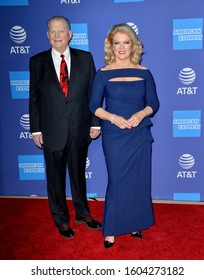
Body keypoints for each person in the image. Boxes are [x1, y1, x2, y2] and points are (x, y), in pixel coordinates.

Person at [29, 15, 102, 239]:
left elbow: (93, 94)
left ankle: (82, 213)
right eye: (53, 31)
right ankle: (61, 219)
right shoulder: (36, 61)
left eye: (62, 31)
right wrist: (36, 129)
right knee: (55, 177)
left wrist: (95, 122)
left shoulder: (86, 58)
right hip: (51, 130)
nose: (57, 35)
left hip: (80, 128)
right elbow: (34, 98)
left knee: (78, 174)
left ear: (70, 34)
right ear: (47, 35)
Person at [89, 23, 160, 248]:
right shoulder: (103, 74)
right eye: (117, 42)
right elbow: (93, 106)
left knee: (138, 181)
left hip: (139, 134)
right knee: (118, 181)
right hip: (115, 135)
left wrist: (141, 113)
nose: (121, 47)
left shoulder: (144, 72)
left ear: (133, 45)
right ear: (111, 45)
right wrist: (112, 118)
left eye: (126, 42)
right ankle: (111, 230)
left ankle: (134, 223)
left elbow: (154, 104)